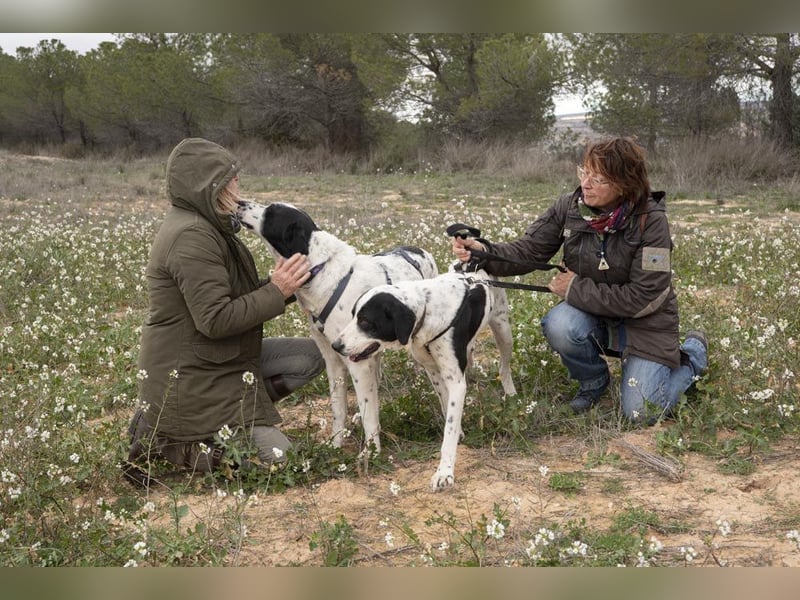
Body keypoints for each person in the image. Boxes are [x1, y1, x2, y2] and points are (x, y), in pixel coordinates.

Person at [452, 137, 707, 423]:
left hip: (646, 324)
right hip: (593, 313)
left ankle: (694, 354)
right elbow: (529, 249)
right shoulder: (569, 207)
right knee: (561, 325)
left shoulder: (652, 221)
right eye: (583, 172)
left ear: (625, 184)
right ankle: (594, 382)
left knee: (641, 412)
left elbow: (645, 296)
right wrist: (485, 252)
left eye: (598, 179)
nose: (586, 183)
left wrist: (574, 288)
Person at [125, 137, 324, 481]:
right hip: (192, 379)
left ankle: (238, 419)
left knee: (309, 357)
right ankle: (170, 444)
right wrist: (276, 290)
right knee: (278, 462)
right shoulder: (191, 237)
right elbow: (215, 320)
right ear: (209, 184)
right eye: (231, 179)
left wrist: (290, 288)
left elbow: (233, 301)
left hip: (218, 362)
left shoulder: (206, 225)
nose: (237, 186)